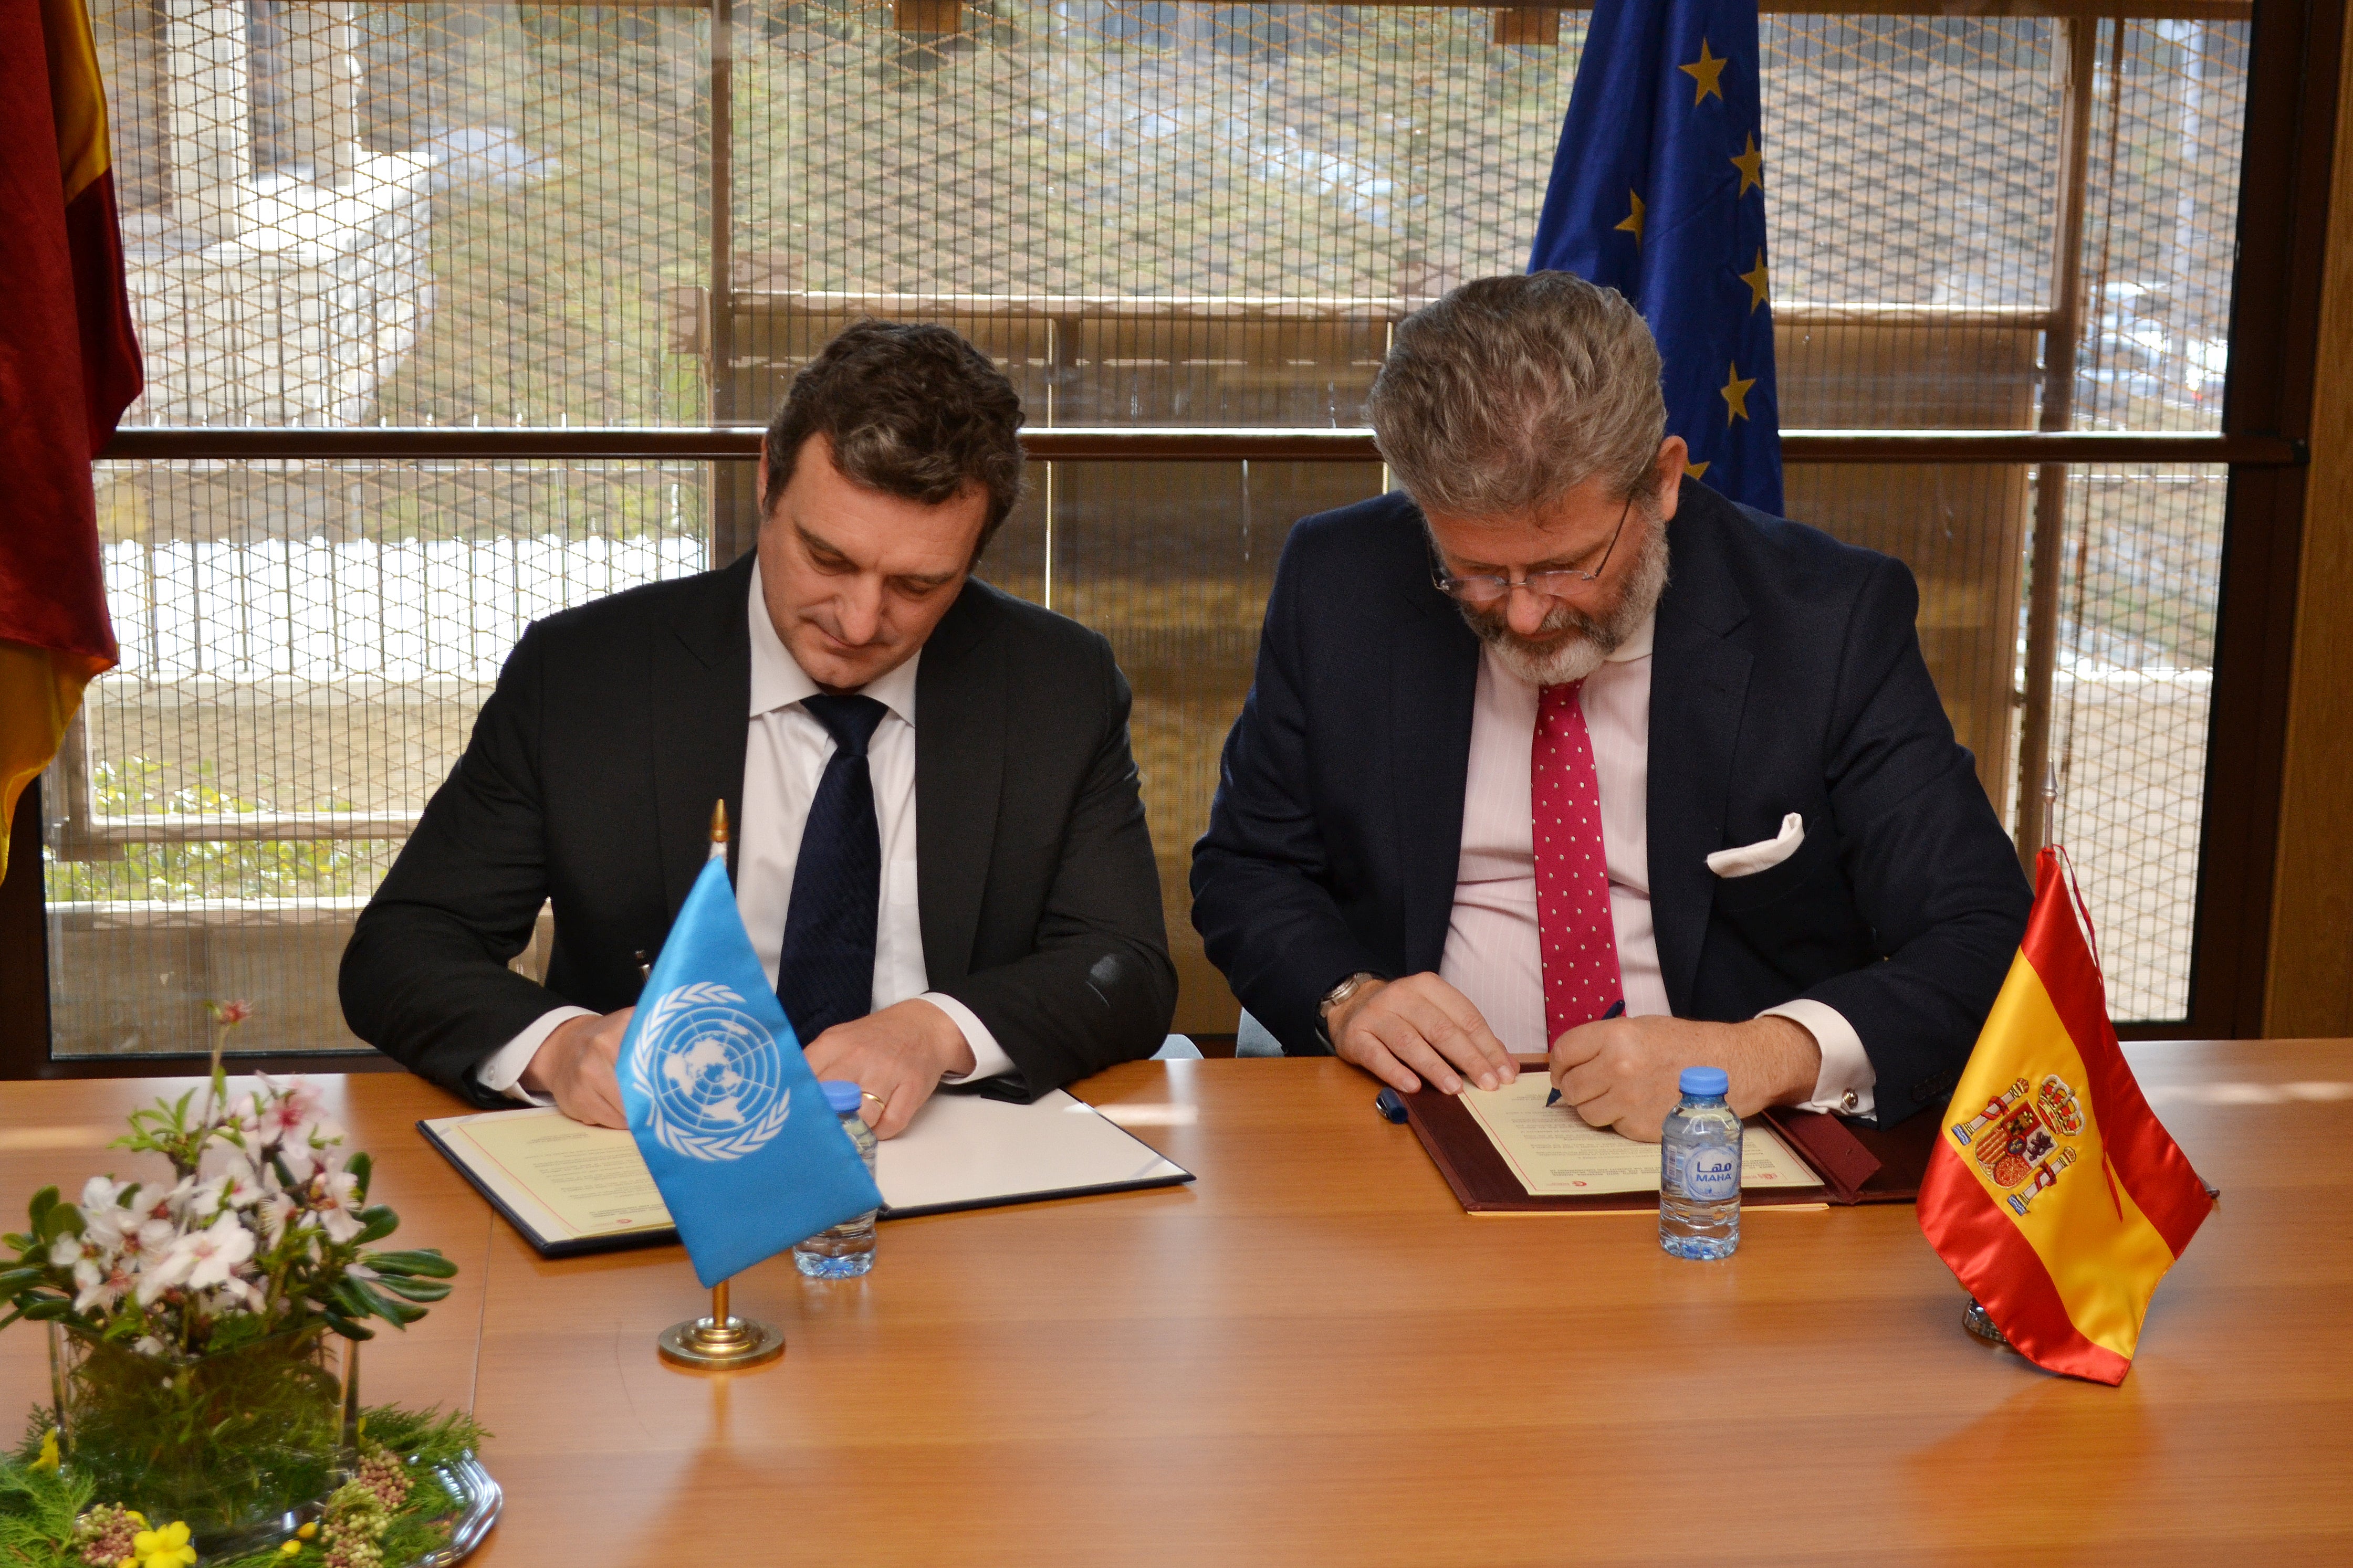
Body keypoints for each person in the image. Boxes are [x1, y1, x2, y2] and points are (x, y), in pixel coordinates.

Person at [1190, 273, 2031, 1138]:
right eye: (1474, 571)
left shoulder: (1826, 619)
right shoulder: (1340, 579)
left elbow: (1980, 931)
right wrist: (1348, 996)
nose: (1521, 615)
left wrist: (1764, 1057)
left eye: (1565, 565)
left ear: (1662, 482)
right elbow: (1249, 869)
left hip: (1731, 1136)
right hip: (1414, 1128)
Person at [342, 320, 1176, 1136]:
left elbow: (1123, 967)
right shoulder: (585, 673)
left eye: (917, 586)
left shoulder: (1055, 682)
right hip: (653, 1155)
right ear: (767, 479)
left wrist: (936, 1032)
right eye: (829, 560)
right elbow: (405, 948)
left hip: (949, 1146)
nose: (858, 622)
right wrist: (560, 1049)